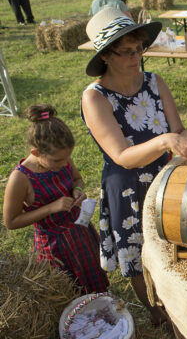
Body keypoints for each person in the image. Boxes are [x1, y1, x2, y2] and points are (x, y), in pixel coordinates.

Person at [81, 7, 187, 326]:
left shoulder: (154, 81)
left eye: (139, 48)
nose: (135, 56)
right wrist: (167, 141)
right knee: (138, 255)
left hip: (163, 177)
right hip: (126, 185)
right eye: (126, 51)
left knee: (171, 244)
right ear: (106, 56)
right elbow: (121, 155)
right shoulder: (95, 97)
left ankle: (175, 303)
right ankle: (156, 313)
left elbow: (178, 130)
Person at [3, 104, 109, 294]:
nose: (64, 164)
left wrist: (77, 190)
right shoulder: (20, 178)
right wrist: (51, 208)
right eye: (57, 161)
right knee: (67, 291)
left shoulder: (62, 157)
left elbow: (77, 179)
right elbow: (11, 222)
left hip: (80, 233)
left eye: (67, 158)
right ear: (36, 153)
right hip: (54, 246)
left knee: (94, 280)